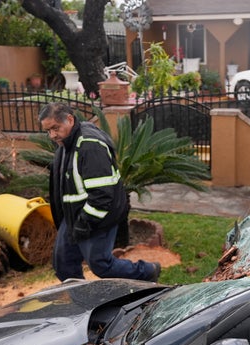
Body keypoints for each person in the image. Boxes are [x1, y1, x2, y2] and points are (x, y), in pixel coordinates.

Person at [38, 102, 160, 282]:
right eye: (48, 131)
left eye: (55, 128)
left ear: (70, 119)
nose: (52, 135)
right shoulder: (66, 141)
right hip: (74, 216)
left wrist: (84, 223)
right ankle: (80, 300)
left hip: (96, 216)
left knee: (101, 265)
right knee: (63, 263)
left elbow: (102, 196)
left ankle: (148, 271)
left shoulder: (89, 146)